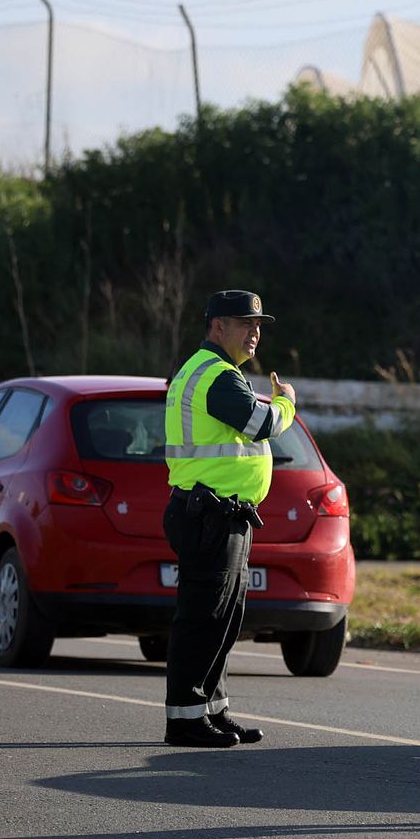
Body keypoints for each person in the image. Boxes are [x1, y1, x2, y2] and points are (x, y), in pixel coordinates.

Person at [161, 290, 296, 748]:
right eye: (246, 324)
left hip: (223, 513)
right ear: (218, 326)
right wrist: (287, 404)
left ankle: (212, 711)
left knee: (225, 617)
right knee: (204, 617)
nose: (255, 333)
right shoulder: (216, 376)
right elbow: (261, 425)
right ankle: (184, 719)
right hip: (210, 513)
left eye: (258, 325)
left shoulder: (216, 372)